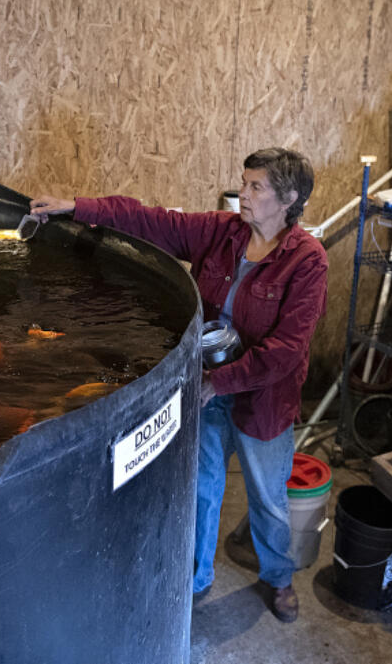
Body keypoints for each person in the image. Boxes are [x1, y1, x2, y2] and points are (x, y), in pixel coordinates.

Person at [30, 148, 328, 623]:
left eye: (256, 188)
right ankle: (195, 579)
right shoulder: (223, 231)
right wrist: (76, 207)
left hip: (262, 401)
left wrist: (219, 381)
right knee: (203, 489)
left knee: (268, 499)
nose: (243, 195)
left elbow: (286, 351)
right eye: (243, 183)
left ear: (289, 199)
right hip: (209, 387)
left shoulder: (307, 262)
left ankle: (278, 577)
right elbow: (151, 221)